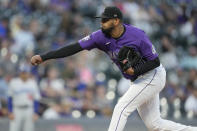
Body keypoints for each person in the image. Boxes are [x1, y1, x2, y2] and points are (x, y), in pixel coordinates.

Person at [31, 6, 197, 131]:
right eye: (101, 19)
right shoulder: (99, 36)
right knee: (154, 124)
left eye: (105, 20)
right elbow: (74, 47)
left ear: (116, 21)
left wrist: (136, 71)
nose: (101, 23)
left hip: (153, 75)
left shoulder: (137, 35)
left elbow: (155, 61)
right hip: (137, 79)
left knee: (122, 107)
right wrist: (45, 57)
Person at [8, 65, 40, 131]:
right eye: (23, 72)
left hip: (29, 109)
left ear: (28, 73)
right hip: (16, 109)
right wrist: (10, 112)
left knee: (29, 129)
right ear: (20, 73)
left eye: (25, 72)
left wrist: (35, 112)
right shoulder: (14, 82)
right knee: (13, 129)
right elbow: (10, 98)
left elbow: (36, 99)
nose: (24, 74)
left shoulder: (32, 83)